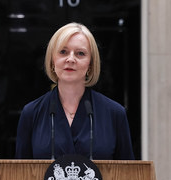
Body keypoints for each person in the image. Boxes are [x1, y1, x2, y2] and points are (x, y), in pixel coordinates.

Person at [15, 22, 135, 160]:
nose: (71, 59)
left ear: (90, 64)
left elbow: (128, 176)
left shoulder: (115, 114)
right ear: (52, 60)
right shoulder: (31, 113)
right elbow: (21, 176)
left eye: (80, 53)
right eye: (63, 52)